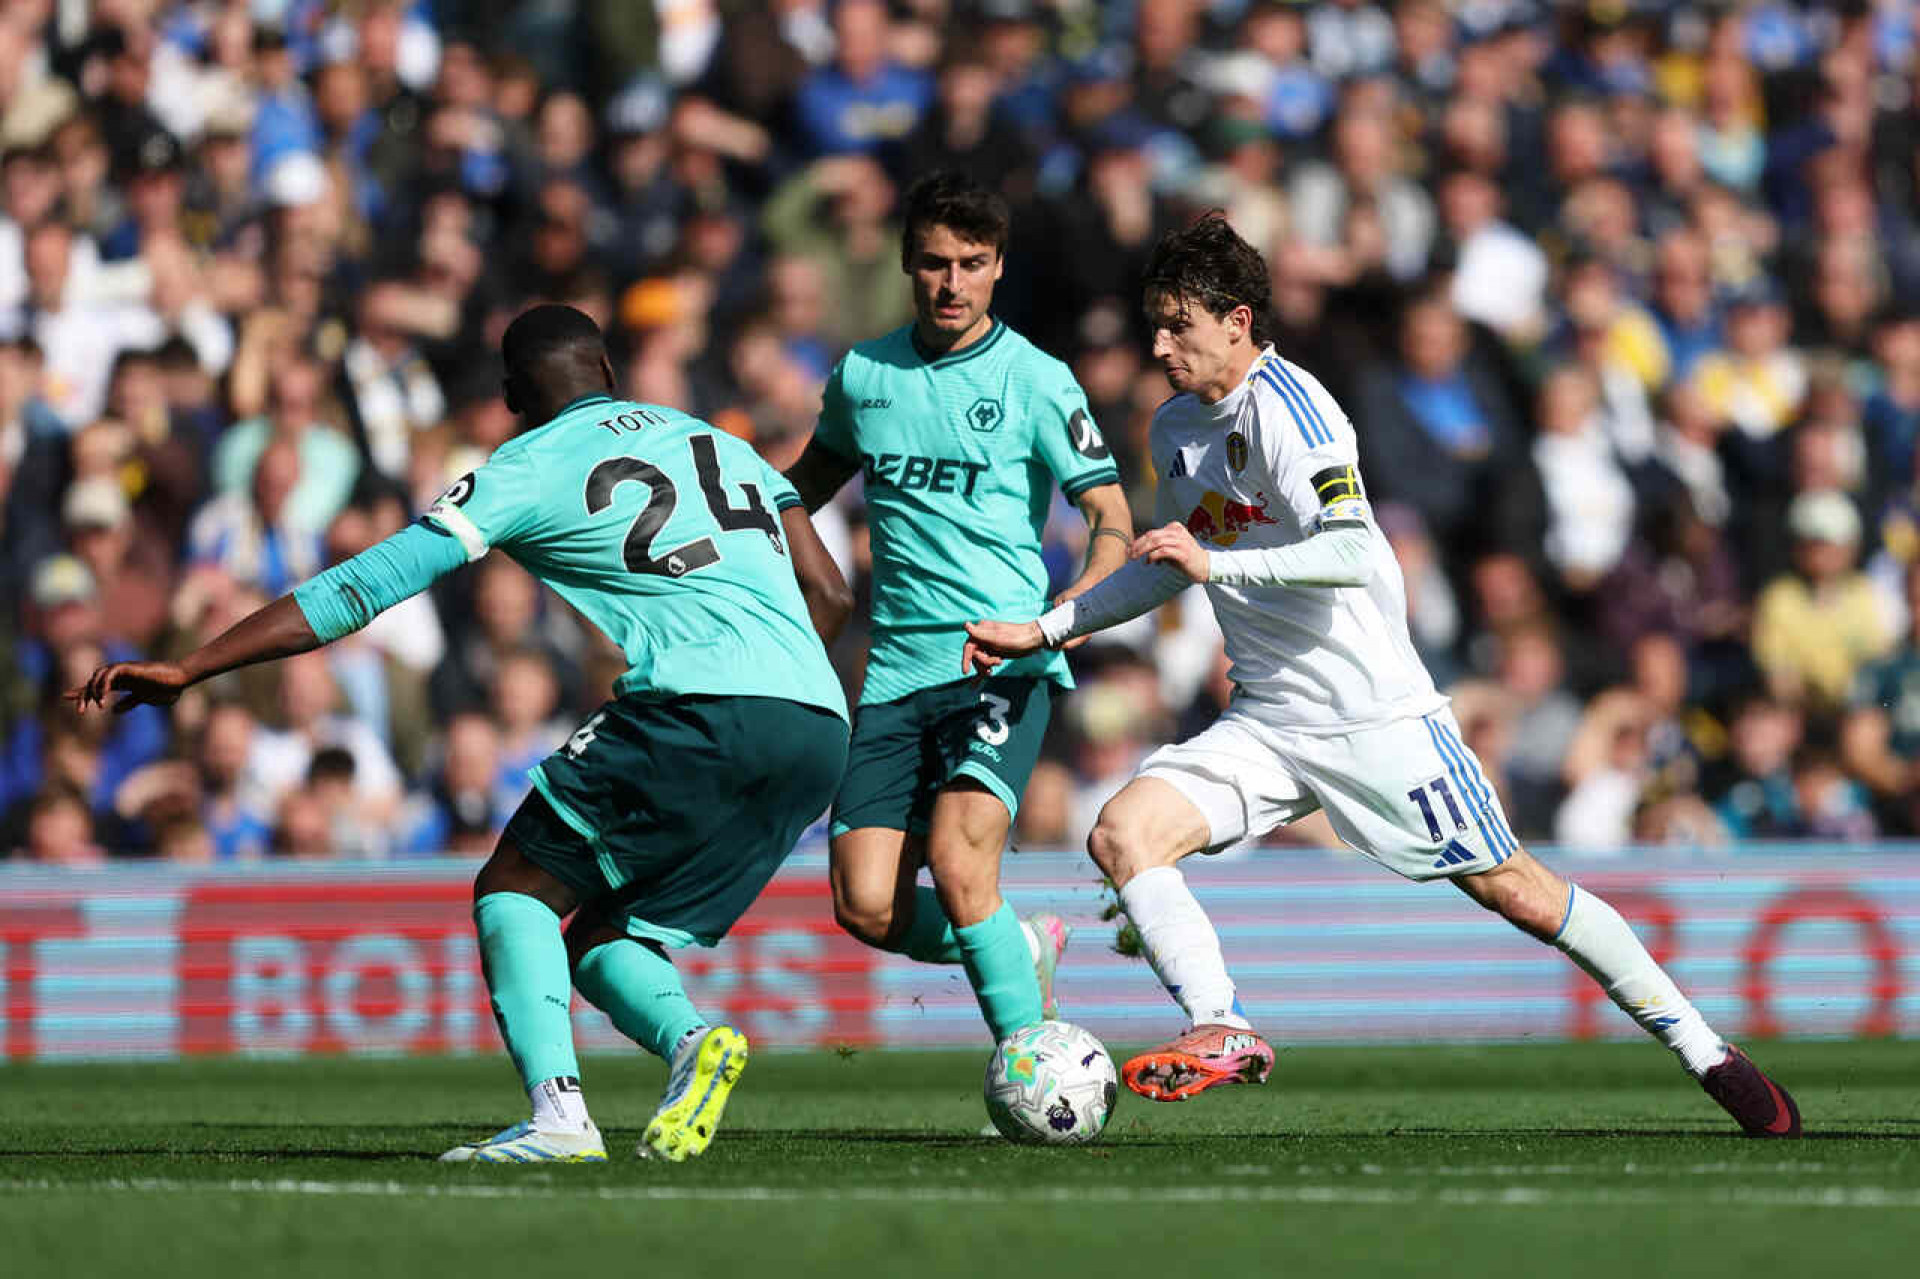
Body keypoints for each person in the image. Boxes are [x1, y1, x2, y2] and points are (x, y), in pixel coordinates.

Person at [963, 214, 1800, 1138]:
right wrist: (1047, 627)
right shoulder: (1174, 426)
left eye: (1177, 325)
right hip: (1268, 717)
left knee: (1516, 888)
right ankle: (1222, 1025)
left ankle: (1705, 1049)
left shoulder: (1297, 411)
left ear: (1237, 320)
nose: (1158, 345)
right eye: (1154, 325)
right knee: (1122, 834)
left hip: (1375, 717)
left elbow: (1355, 546)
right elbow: (1169, 559)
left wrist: (1218, 567)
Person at [71, 305, 853, 1164]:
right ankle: (691, 1046)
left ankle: (559, 1118)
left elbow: (365, 585)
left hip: (697, 705)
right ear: (605, 365)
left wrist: (194, 667)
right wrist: (768, 692)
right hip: (815, 721)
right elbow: (831, 591)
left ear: (513, 396)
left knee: (514, 886)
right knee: (602, 938)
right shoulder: (720, 439)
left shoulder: (525, 465)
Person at [784, 171, 1133, 1046]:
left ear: (998, 268)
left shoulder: (1037, 380)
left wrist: (1063, 618)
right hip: (895, 671)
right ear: (907, 262)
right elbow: (804, 488)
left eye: (972, 264)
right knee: (864, 905)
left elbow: (1113, 521)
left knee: (959, 855)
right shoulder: (864, 376)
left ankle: (1034, 1061)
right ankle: (1018, 946)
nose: (952, 283)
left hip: (1001, 660)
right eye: (935, 263)